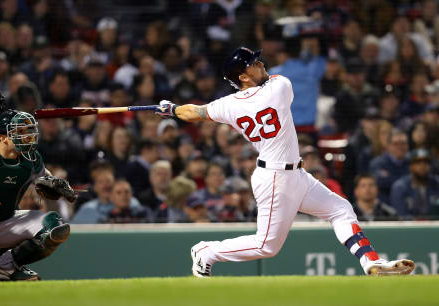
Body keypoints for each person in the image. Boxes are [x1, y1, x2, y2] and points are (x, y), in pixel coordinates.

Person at [155, 46, 415, 277]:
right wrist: (176, 109)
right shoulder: (279, 87)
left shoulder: (228, 105)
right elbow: (206, 109)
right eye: (253, 64)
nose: (261, 64)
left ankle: (371, 263)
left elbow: (195, 113)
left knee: (341, 209)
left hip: (296, 174)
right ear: (243, 77)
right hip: (275, 177)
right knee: (266, 246)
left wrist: (171, 109)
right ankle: (206, 252)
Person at [0, 109, 73, 281]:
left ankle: (5, 268)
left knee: (56, 228)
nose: (28, 136)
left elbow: (44, 180)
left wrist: (55, 185)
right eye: (20, 132)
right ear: (2, 137)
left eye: (29, 130)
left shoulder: (32, 160)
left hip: (6, 223)